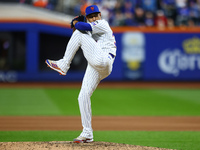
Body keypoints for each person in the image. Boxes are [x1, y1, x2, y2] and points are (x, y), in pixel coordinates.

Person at [45, 5, 116, 143]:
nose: (94, 18)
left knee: (78, 32)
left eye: (96, 15)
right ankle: (87, 133)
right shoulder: (91, 29)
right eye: (91, 16)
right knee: (82, 96)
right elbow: (81, 27)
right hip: (96, 65)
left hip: (104, 59)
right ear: (87, 18)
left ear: (100, 15)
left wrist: (76, 23)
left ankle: (64, 65)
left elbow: (82, 28)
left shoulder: (103, 23)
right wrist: (76, 23)